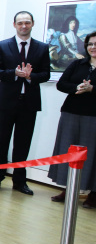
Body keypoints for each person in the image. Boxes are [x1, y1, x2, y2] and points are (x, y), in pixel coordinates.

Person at [0, 11, 50, 195]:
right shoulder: (2, 45)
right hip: (6, 102)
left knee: (23, 144)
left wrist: (31, 76)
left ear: (33, 24)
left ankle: (20, 181)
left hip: (29, 103)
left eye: (27, 22)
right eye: (20, 23)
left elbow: (46, 74)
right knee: (1, 142)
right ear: (14, 24)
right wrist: (13, 73)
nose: (24, 26)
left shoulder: (42, 47)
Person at [48, 31, 96, 209]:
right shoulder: (77, 64)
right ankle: (69, 189)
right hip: (71, 113)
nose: (93, 47)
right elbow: (61, 84)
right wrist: (77, 87)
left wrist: (92, 89)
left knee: (92, 154)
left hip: (93, 116)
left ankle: (93, 194)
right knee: (68, 151)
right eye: (90, 44)